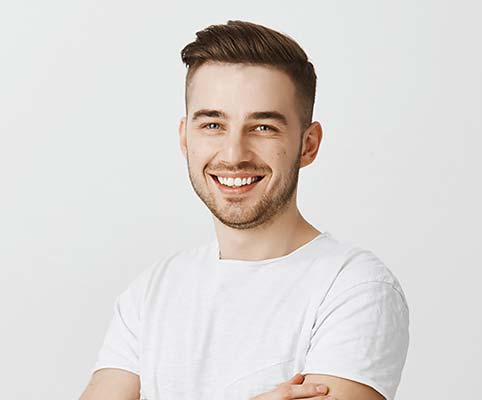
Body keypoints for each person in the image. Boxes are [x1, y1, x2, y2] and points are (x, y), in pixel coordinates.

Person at [79, 20, 409, 400]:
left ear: (308, 145)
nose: (234, 154)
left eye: (263, 127)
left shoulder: (354, 288)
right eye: (213, 124)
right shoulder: (151, 292)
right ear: (185, 137)